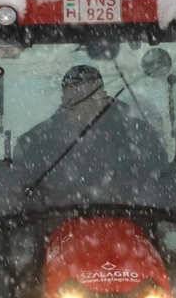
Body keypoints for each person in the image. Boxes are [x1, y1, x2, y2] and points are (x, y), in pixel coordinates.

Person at [14, 64, 165, 198]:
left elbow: (161, 183)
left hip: (133, 218)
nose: (84, 103)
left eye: (90, 95)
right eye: (77, 95)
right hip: (53, 223)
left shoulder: (139, 135)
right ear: (64, 100)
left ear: (104, 95)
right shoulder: (34, 142)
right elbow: (23, 196)